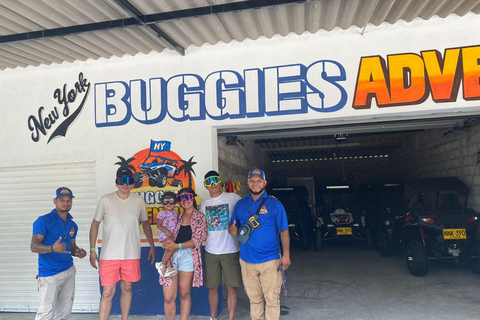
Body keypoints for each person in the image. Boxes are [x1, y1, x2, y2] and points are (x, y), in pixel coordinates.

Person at [89, 167, 156, 320]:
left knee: (127, 288)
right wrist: (92, 249)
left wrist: (152, 246)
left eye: (128, 181)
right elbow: (95, 225)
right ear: (116, 183)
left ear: (132, 183)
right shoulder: (105, 200)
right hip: (108, 255)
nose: (125, 184)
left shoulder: (138, 201)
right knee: (107, 292)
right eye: (121, 180)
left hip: (131, 254)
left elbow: (145, 223)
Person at [229, 168, 290, 320]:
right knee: (254, 300)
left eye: (258, 181)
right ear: (248, 182)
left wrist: (286, 255)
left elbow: (284, 231)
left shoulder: (275, 204)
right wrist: (232, 229)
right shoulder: (240, 204)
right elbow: (232, 228)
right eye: (252, 181)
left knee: (272, 300)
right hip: (246, 261)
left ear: (264, 183)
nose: (255, 184)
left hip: (270, 260)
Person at [31, 187, 87, 320]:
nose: (66, 203)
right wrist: (52, 248)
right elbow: (33, 246)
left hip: (68, 270)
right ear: (55, 201)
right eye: (62, 200)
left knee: (64, 311)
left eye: (69, 200)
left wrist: (78, 252)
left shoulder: (73, 224)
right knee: (46, 312)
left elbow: (72, 247)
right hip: (49, 273)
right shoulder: (43, 220)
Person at [199, 170, 242, 320]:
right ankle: (213, 317)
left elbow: (246, 212)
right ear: (205, 186)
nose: (212, 185)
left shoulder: (234, 198)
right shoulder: (203, 204)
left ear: (220, 182)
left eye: (215, 180)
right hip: (211, 251)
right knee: (212, 287)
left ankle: (230, 318)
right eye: (208, 182)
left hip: (230, 250)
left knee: (231, 287)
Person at [159, 187, 207, 320]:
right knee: (169, 297)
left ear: (193, 198)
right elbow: (166, 232)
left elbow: (196, 241)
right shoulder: (176, 215)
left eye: (188, 197)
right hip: (171, 256)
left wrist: (177, 245)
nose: (185, 201)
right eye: (181, 198)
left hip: (188, 257)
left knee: (184, 294)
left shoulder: (200, 217)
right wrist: (166, 244)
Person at [155, 191, 179, 277]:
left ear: (175, 202)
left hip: (172, 235)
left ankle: (168, 267)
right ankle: (162, 264)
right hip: (164, 235)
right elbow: (159, 225)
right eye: (165, 201)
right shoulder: (162, 213)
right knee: (172, 248)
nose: (168, 203)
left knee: (169, 250)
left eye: (171, 201)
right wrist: (167, 231)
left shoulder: (175, 212)